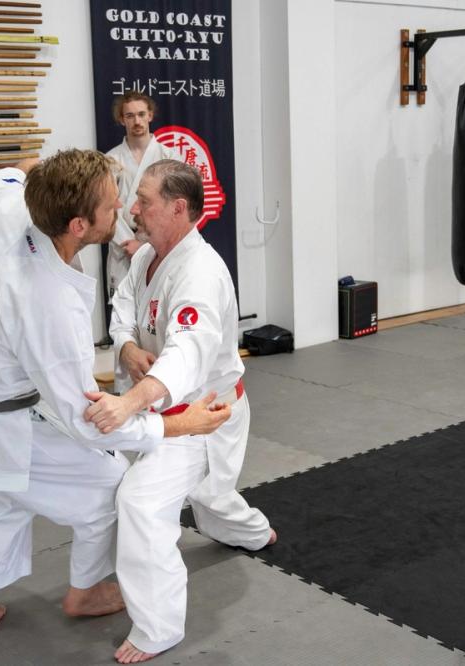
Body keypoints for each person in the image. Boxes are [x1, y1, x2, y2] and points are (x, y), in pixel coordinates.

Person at [0, 149, 232, 648]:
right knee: (109, 483)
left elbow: (1, 177)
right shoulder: (48, 307)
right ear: (79, 224)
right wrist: (177, 426)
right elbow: (88, 421)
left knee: (1, 494)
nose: (124, 210)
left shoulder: (15, 205)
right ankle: (85, 590)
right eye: (112, 206)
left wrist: (34, 168)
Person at [85, 160, 275, 663]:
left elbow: (185, 353)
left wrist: (129, 399)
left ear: (179, 208)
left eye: (144, 200)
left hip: (204, 416)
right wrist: (125, 349)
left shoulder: (200, 274)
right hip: (166, 413)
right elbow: (122, 306)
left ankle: (158, 629)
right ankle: (257, 531)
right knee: (210, 501)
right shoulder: (148, 253)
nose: (133, 208)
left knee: (143, 503)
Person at [104, 92, 179, 301]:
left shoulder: (169, 156)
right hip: (123, 244)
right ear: (121, 119)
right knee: (125, 309)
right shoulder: (110, 159)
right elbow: (106, 206)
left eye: (141, 114)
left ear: (150, 116)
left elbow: (175, 204)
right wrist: (129, 242)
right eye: (129, 116)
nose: (136, 121)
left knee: (159, 303)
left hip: (158, 241)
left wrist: (145, 245)